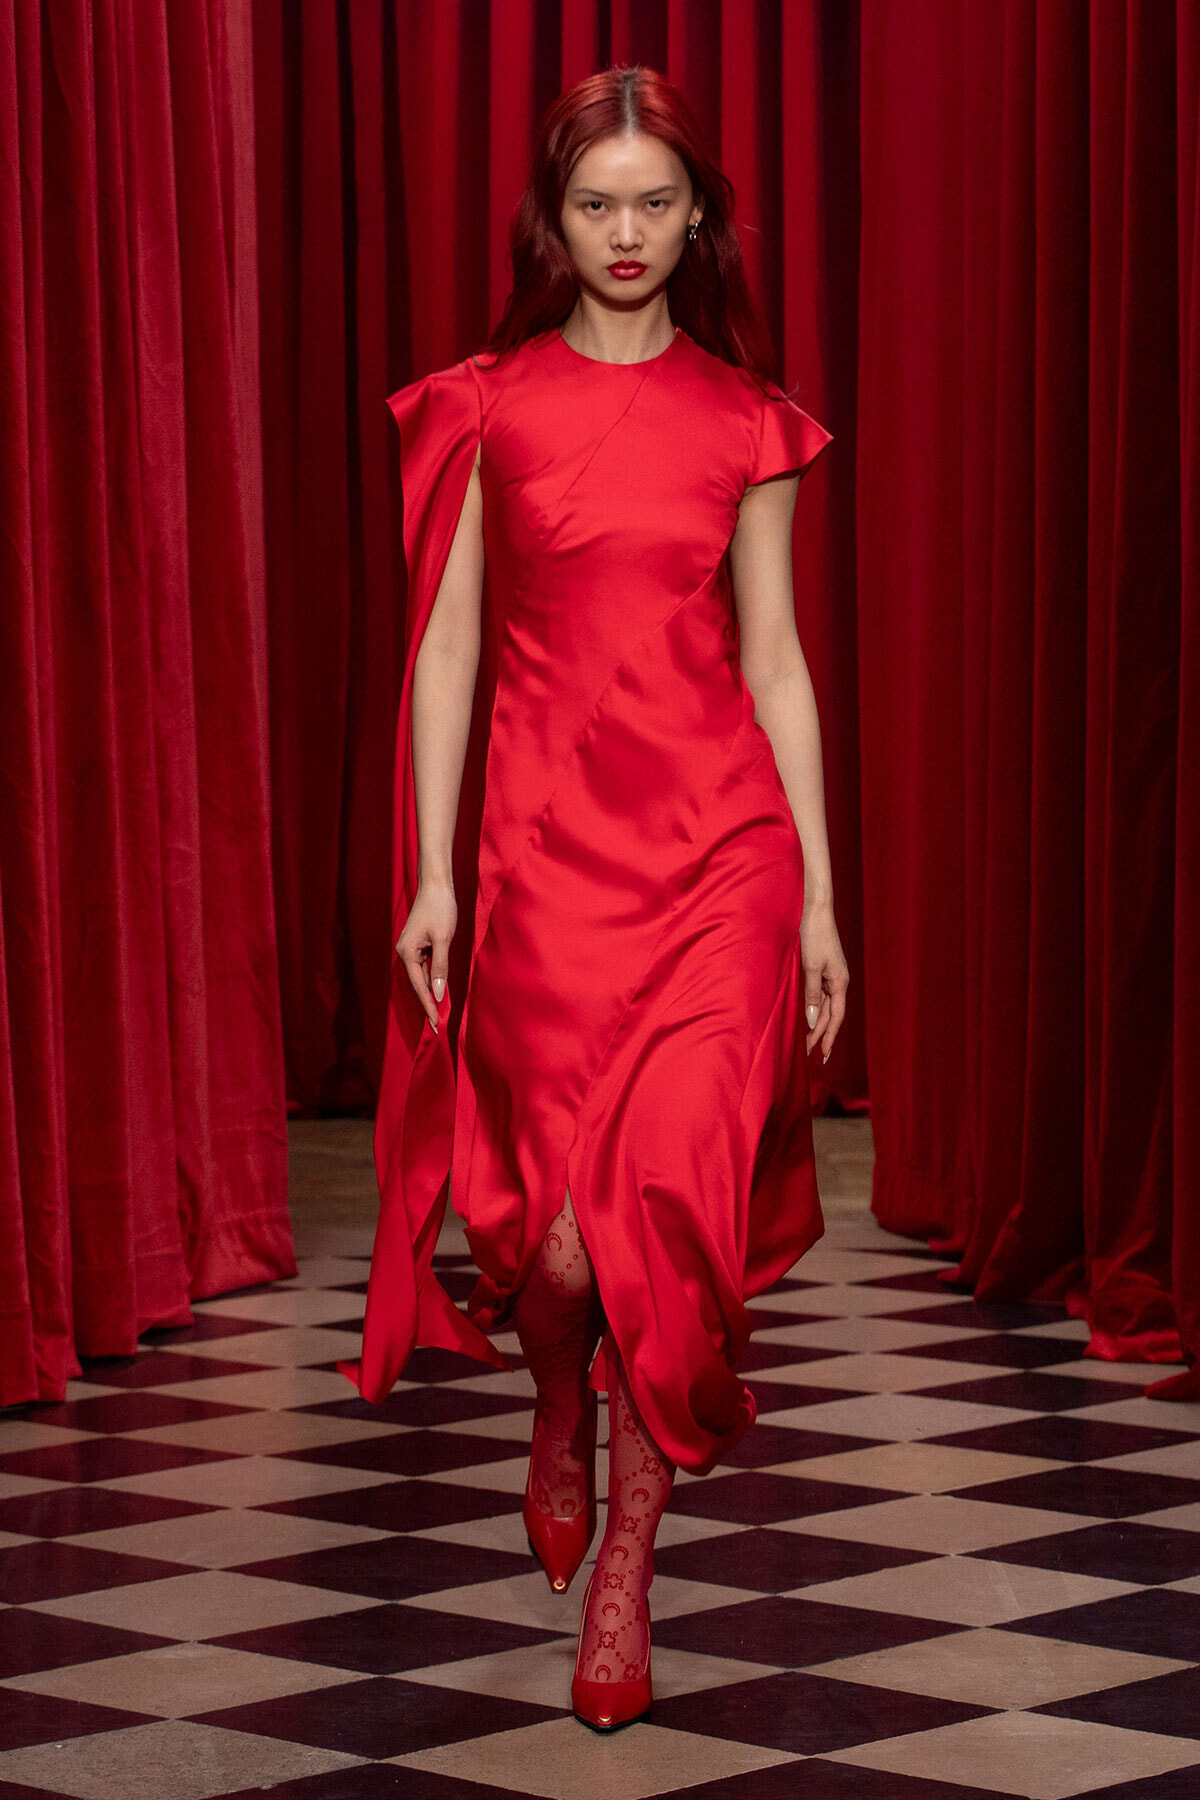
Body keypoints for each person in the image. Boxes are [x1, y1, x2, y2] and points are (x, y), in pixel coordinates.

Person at [336, 63, 849, 1731]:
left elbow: (776, 665)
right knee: (552, 1254)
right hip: (548, 869)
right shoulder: (485, 406)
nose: (625, 231)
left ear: (697, 218)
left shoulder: (750, 421)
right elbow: (450, 649)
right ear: (553, 225)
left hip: (722, 864)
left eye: (653, 201)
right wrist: (429, 866)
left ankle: (628, 1569)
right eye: (593, 203)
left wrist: (822, 900)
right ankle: (558, 1398)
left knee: (666, 1230)